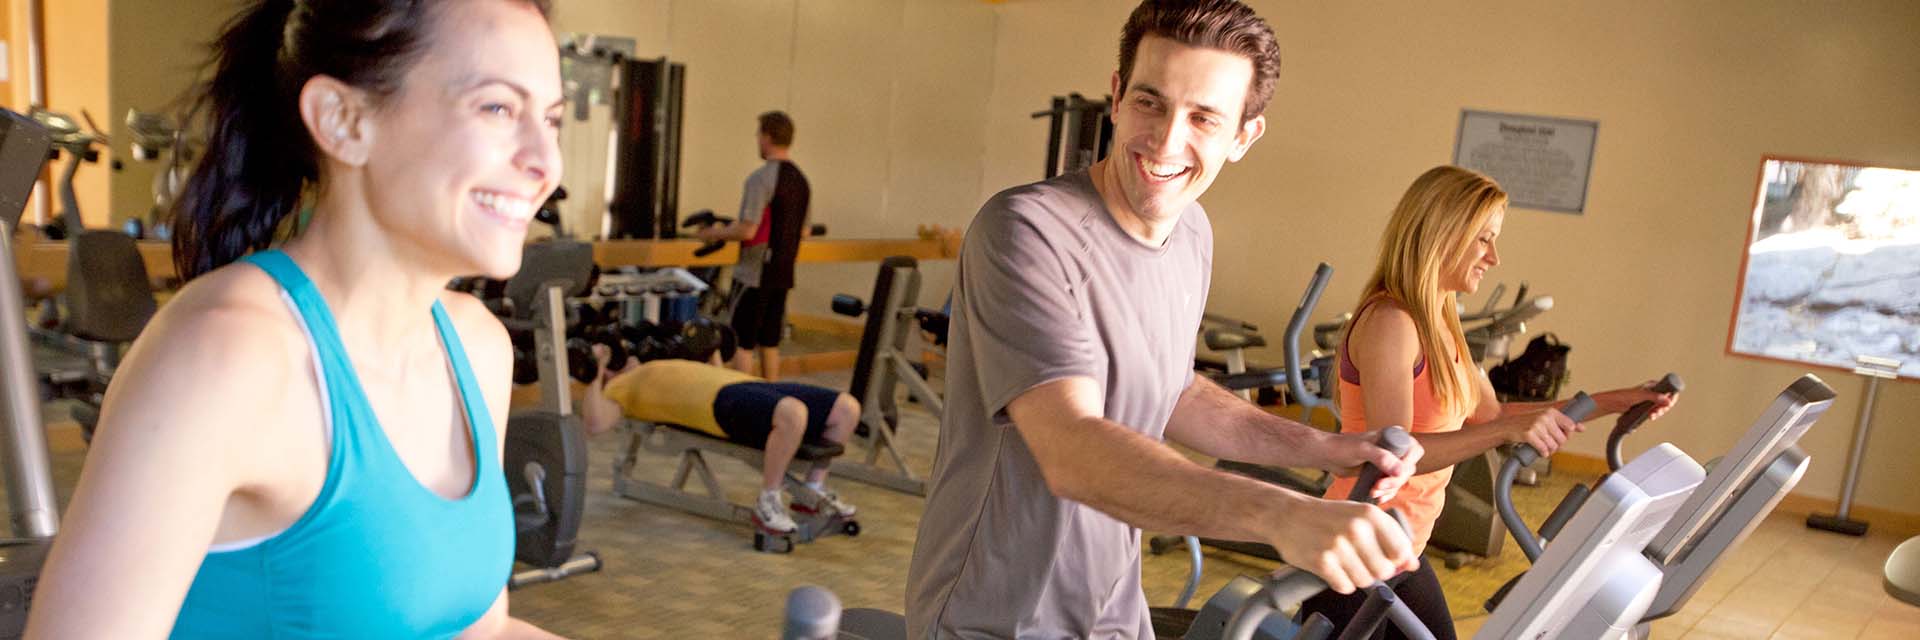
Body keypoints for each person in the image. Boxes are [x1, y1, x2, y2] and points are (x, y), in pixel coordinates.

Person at [26, 1, 568, 637]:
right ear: (343, 121)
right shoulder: (227, 354)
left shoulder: (477, 348)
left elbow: (477, 629)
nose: (546, 163)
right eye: (498, 108)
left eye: (552, 120)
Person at [905, 2, 1429, 637]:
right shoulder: (1026, 231)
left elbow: (1173, 390)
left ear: (1244, 136)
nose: (1166, 139)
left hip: (1112, 610)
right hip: (996, 616)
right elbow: (1070, 447)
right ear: (1117, 96)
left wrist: (1325, 448)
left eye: (1203, 117)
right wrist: (1280, 515)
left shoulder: (1191, 233)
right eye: (1150, 103)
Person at [1297, 165, 1681, 639]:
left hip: (1400, 548)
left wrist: (1617, 401)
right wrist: (1502, 432)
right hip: (1354, 551)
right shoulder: (1390, 321)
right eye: (1483, 240)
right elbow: (1394, 453)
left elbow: (1495, 414)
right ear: (1443, 234)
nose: (1493, 258)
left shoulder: (1442, 323)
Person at [578, 348, 859, 533]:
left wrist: (713, 351)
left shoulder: (655, 361)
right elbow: (595, 423)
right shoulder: (621, 386)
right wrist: (594, 372)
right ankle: (768, 500)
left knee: (847, 408)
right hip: (716, 403)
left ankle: (812, 492)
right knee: (793, 413)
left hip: (742, 383)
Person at [696, 111, 811, 380]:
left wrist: (713, 232)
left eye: (759, 134)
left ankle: (746, 398)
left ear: (767, 137)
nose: (757, 139)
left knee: (742, 342)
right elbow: (804, 231)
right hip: (783, 272)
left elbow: (748, 229)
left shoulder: (760, 179)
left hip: (753, 274)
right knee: (770, 343)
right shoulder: (802, 181)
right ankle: (772, 396)